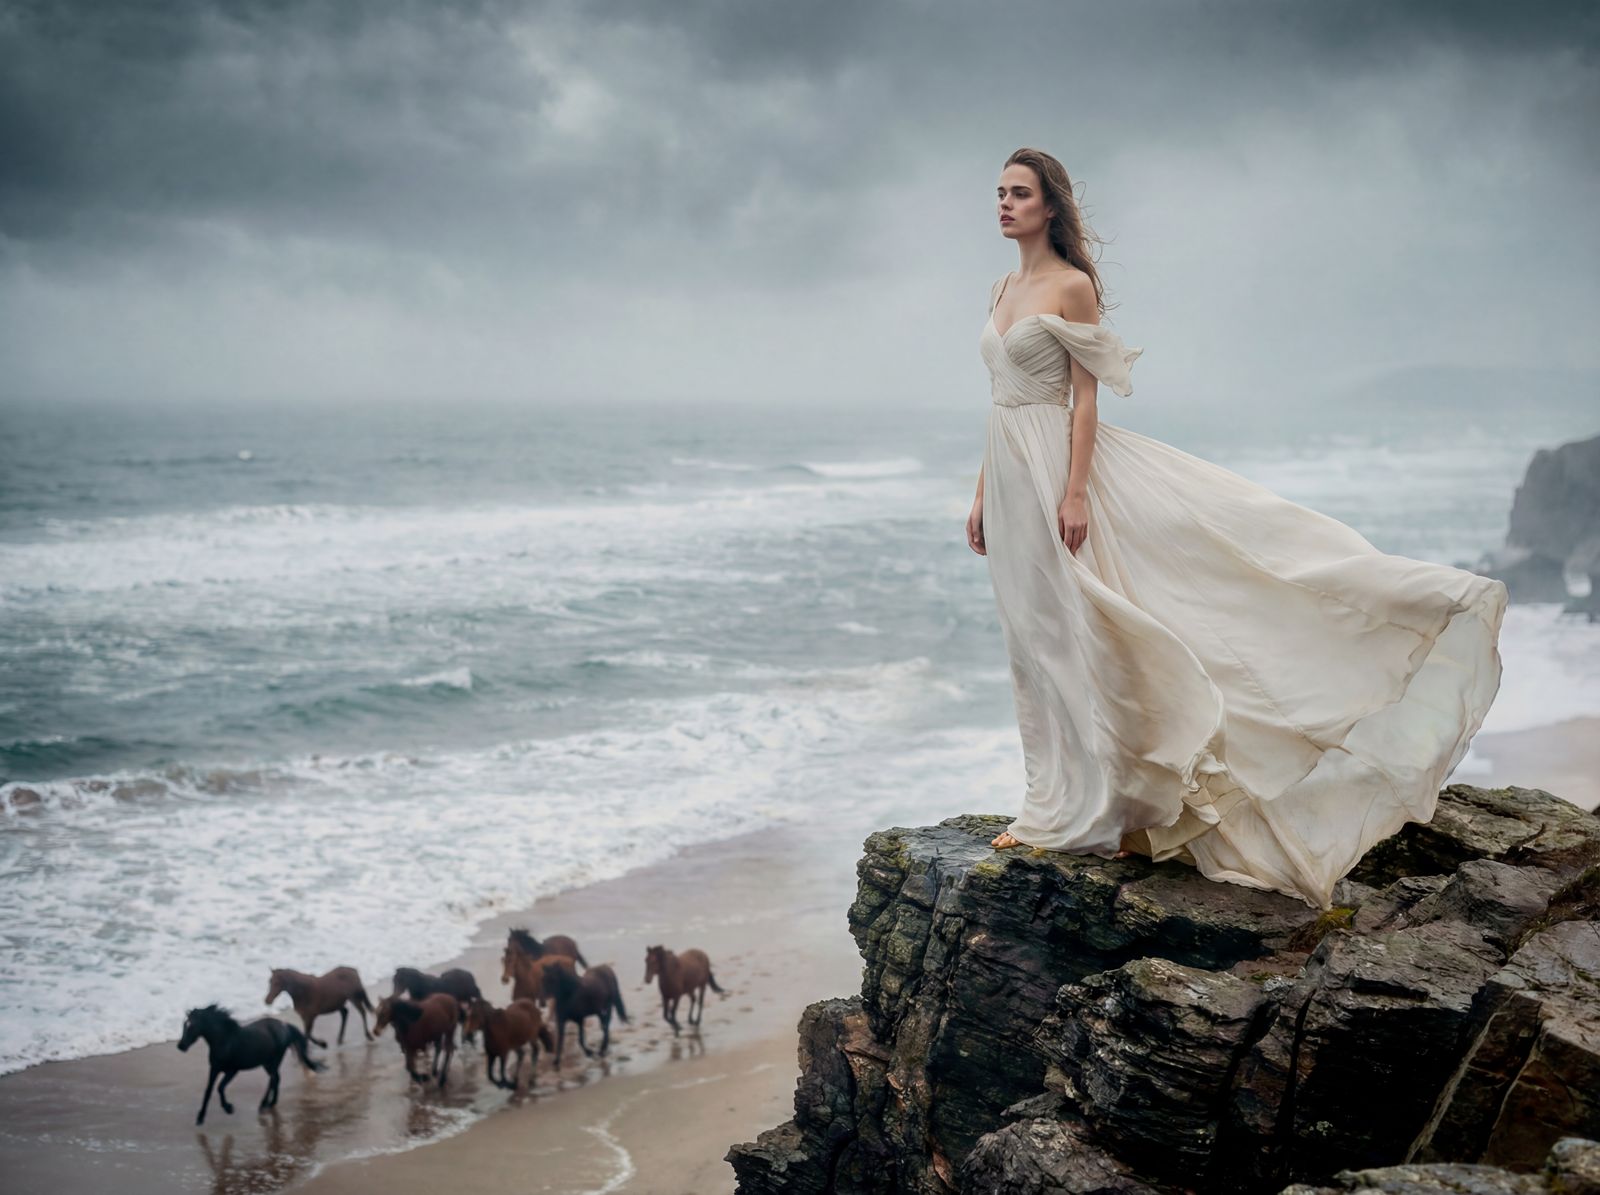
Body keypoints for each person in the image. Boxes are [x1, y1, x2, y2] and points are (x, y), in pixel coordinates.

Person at [968, 147, 1507, 911]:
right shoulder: (999, 287)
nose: (1003, 204)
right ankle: (1052, 799)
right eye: (998, 193)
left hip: (1056, 471)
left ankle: (1115, 807)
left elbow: (1084, 401)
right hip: (1010, 474)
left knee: (1088, 631)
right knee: (1033, 638)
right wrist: (982, 492)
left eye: (1017, 193)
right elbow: (997, 399)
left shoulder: (1070, 285)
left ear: (1049, 206)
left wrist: (1078, 490)